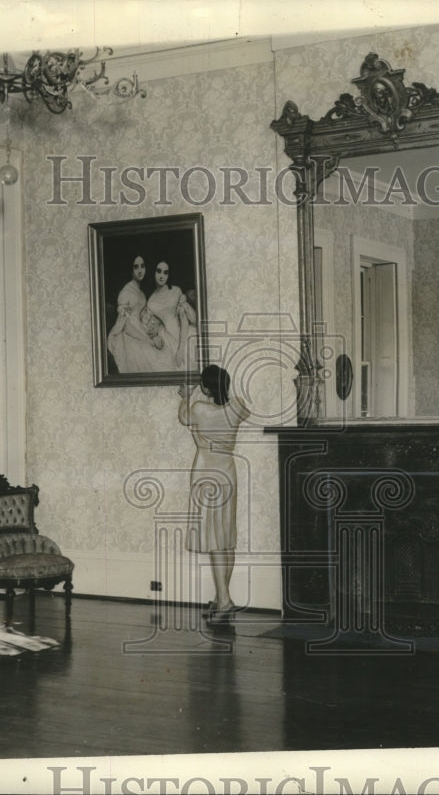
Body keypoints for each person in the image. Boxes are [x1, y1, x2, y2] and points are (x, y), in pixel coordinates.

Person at [178, 365, 251, 622]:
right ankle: (223, 597)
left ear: (206, 388)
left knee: (214, 539)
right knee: (225, 537)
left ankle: (224, 601)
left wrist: (186, 395)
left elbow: (184, 417)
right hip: (228, 473)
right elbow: (240, 409)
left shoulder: (199, 408)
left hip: (207, 474)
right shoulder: (238, 406)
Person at [107, 255, 168, 372]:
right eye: (136, 267)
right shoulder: (125, 292)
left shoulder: (141, 293)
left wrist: (153, 335)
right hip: (128, 334)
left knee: (163, 353)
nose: (140, 270)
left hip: (141, 330)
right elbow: (125, 325)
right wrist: (146, 339)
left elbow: (142, 319)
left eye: (142, 266)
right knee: (148, 357)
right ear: (131, 269)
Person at [148, 260, 197, 370]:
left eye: (165, 273)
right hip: (167, 336)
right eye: (158, 271)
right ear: (153, 272)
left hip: (183, 331)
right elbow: (152, 325)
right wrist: (155, 336)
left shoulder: (176, 291)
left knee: (189, 356)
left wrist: (181, 349)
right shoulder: (151, 301)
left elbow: (184, 319)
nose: (162, 276)